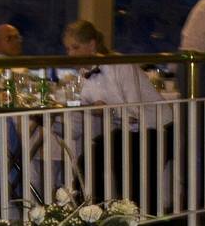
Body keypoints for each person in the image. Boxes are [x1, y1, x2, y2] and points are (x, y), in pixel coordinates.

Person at [62, 20, 172, 207]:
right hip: (128, 132)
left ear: (91, 45)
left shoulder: (120, 65)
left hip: (157, 128)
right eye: (67, 49)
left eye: (75, 48)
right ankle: (94, 215)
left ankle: (148, 225)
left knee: (134, 173)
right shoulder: (83, 78)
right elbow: (77, 125)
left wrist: (106, 109)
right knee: (88, 161)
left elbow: (135, 111)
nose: (70, 54)